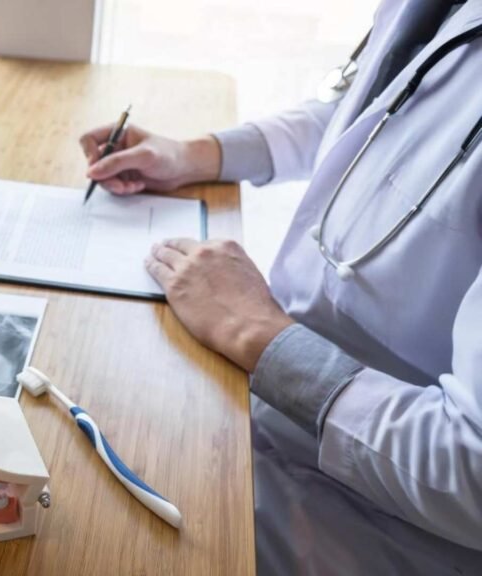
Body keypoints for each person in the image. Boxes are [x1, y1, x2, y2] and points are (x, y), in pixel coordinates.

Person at [79, 0, 482, 573]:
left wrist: (265, 337)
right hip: (278, 416)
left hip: (378, 521)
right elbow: (378, 107)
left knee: (87, 526)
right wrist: (198, 154)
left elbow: (471, 474)